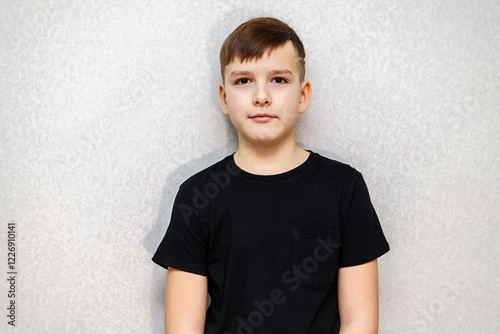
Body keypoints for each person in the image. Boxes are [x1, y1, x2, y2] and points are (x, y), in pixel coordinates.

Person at [152, 17, 389, 334]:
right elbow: (183, 327)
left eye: (278, 80)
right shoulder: (197, 195)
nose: (261, 96)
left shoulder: (345, 188)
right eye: (243, 81)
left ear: (303, 95)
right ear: (224, 97)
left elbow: (359, 322)